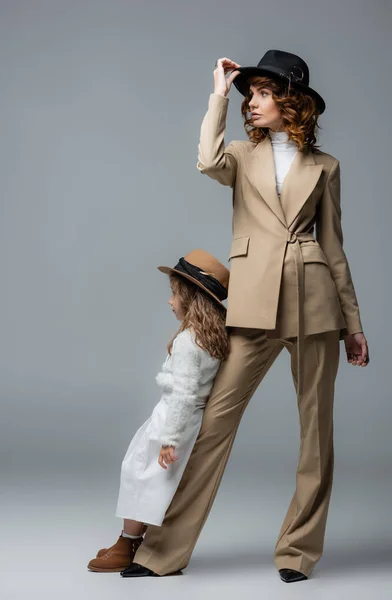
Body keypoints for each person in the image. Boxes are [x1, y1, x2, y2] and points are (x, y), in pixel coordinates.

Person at [121, 49, 370, 583]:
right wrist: (217, 91)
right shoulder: (238, 154)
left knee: (316, 435)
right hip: (255, 303)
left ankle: (297, 552)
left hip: (316, 303)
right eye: (249, 94)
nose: (251, 103)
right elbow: (206, 160)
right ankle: (161, 552)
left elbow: (335, 247)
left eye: (262, 93)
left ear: (290, 101)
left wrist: (353, 323)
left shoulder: (326, 167)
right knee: (211, 427)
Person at [87, 249, 231, 573]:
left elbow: (182, 394)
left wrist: (169, 439)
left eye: (174, 295)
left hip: (172, 420)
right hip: (186, 420)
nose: (170, 302)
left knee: (140, 475)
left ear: (191, 300)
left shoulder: (187, 342)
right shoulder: (210, 338)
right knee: (150, 478)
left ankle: (128, 542)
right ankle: (132, 539)